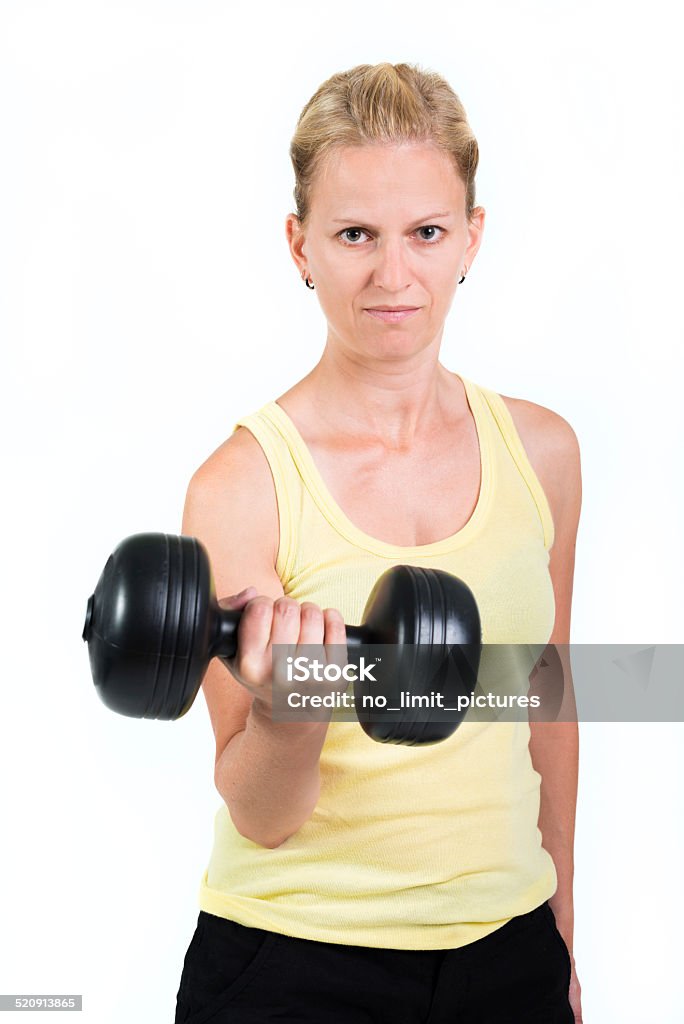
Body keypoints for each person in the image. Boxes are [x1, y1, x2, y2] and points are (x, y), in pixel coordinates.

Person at [174, 62, 583, 1023]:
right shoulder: (240, 486)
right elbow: (263, 817)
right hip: (293, 963)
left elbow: (550, 704)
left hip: (509, 949)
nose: (393, 275)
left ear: (472, 237)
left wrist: (563, 929)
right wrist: (289, 710)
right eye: (355, 233)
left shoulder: (544, 452)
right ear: (300, 244)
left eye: (426, 233)